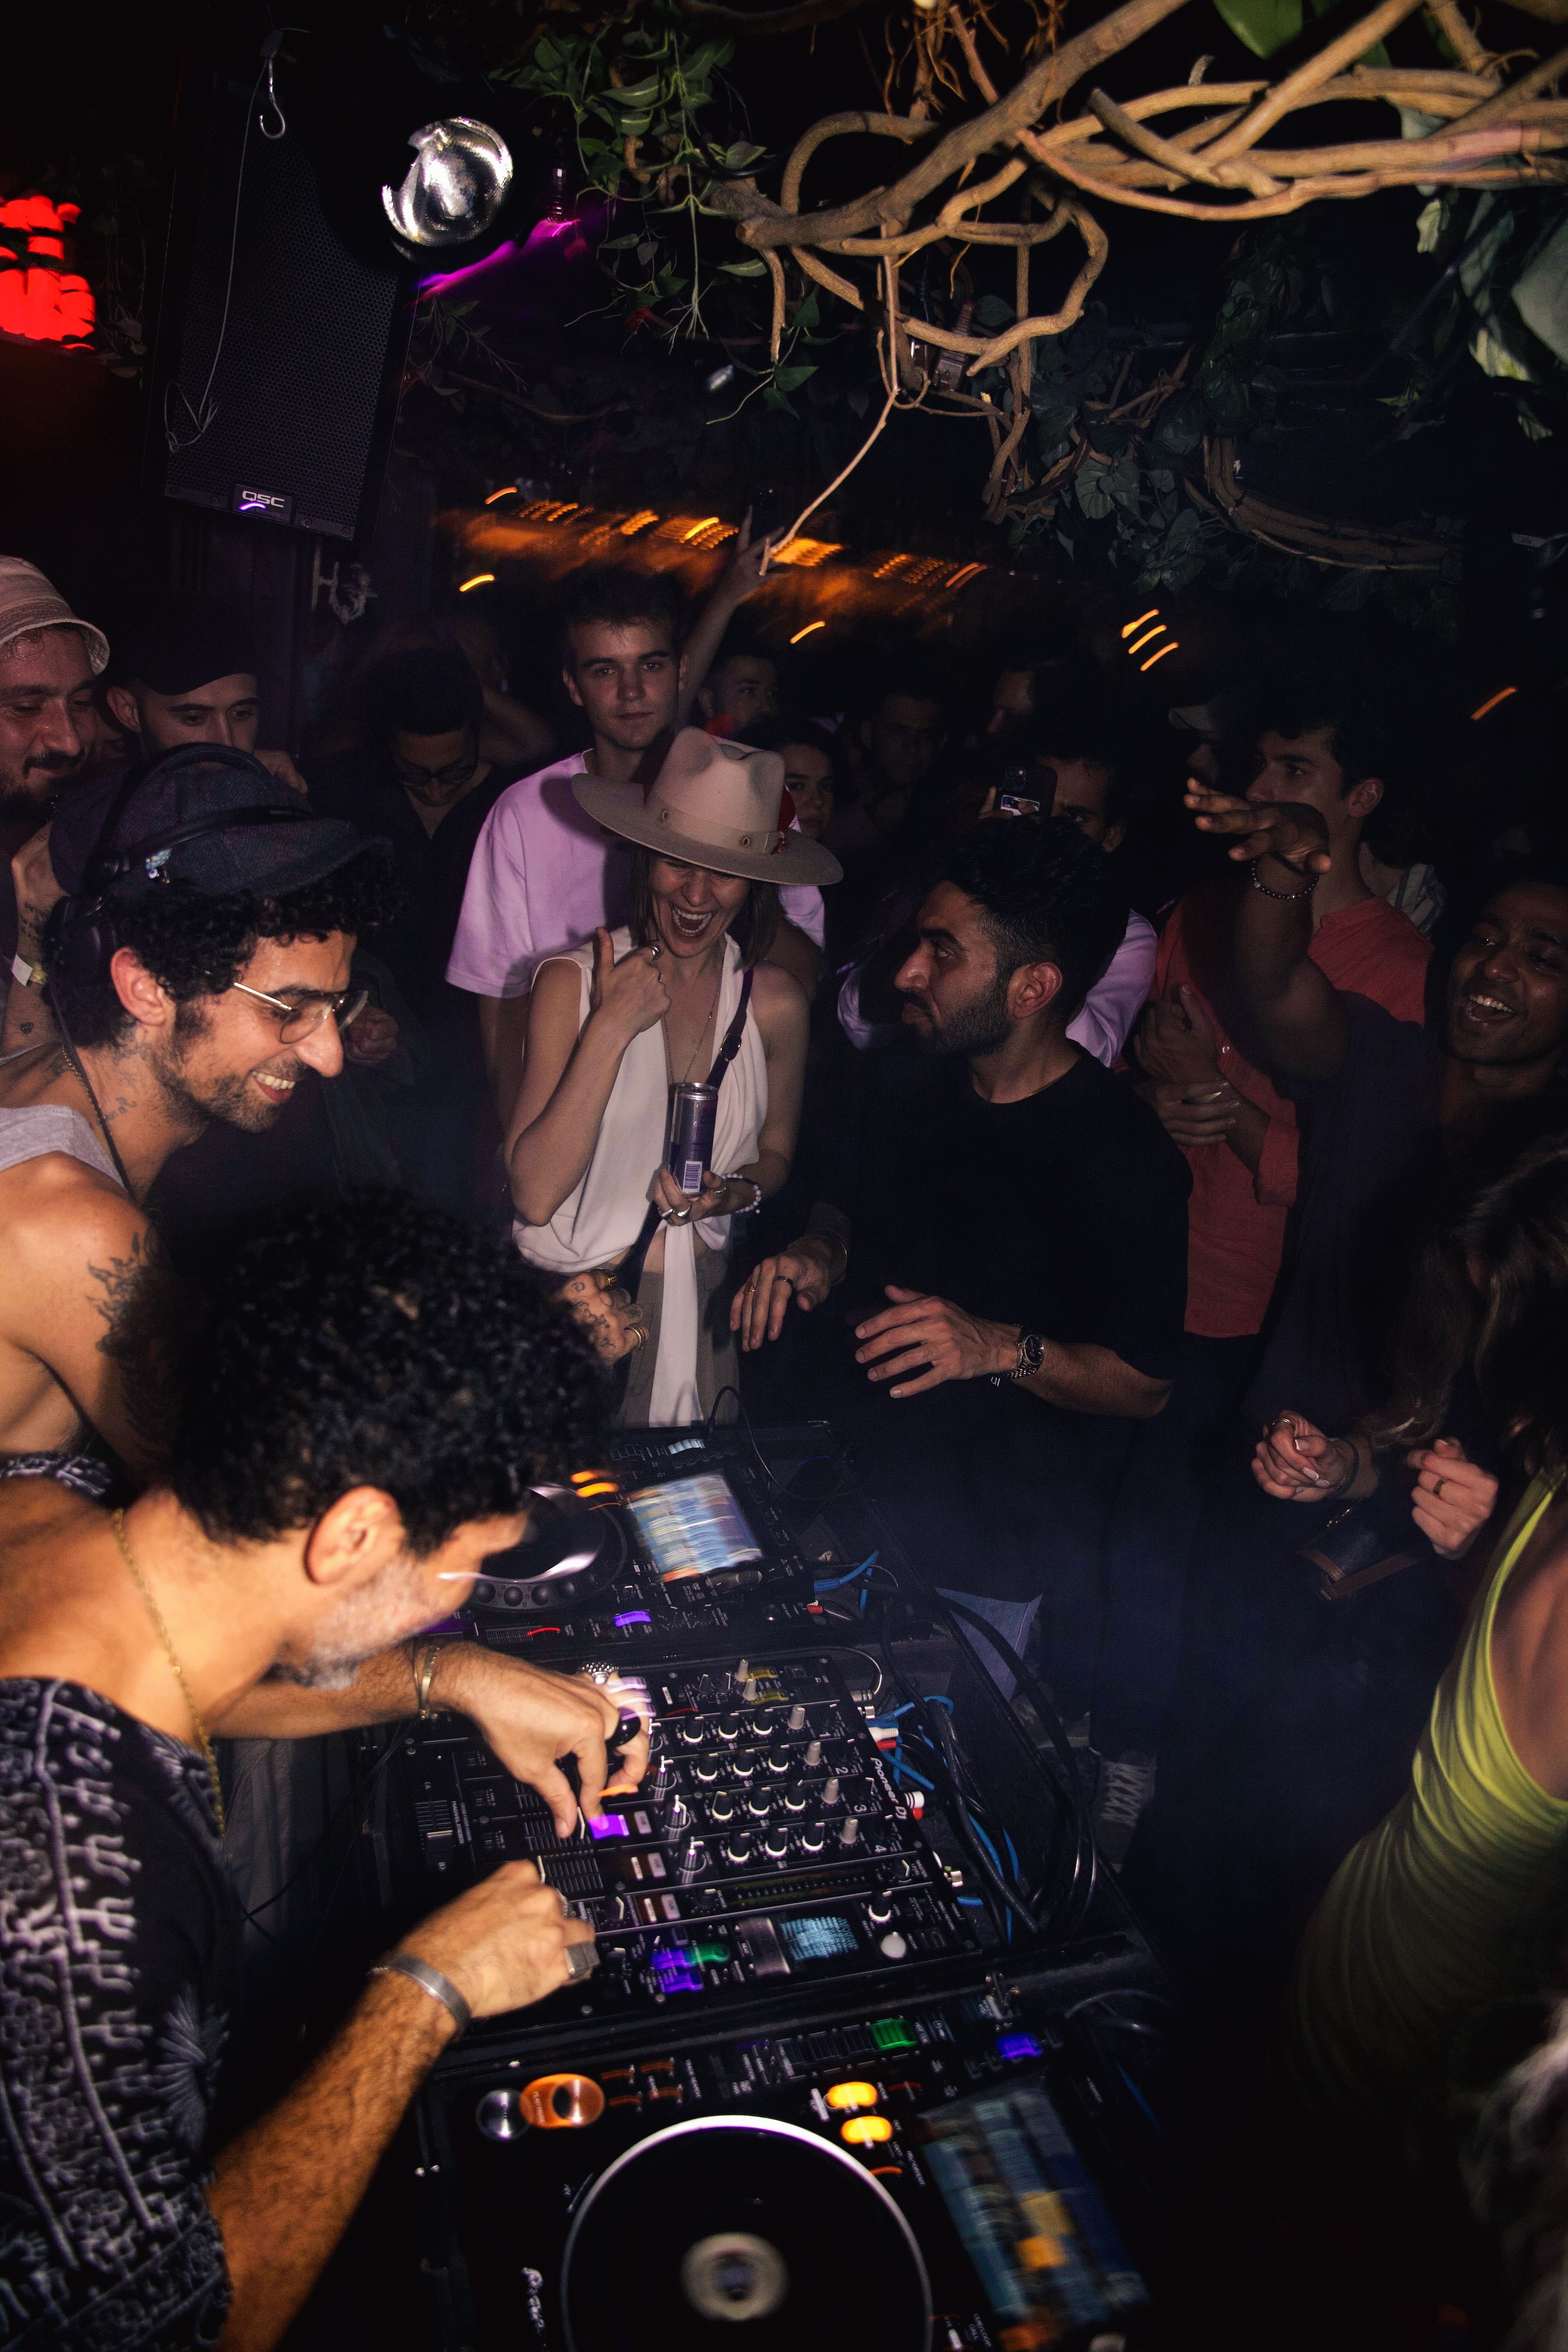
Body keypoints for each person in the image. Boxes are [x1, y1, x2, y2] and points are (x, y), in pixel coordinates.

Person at [0, 1188, 644, 2350]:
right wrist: (423, 1991)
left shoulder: (46, 1506)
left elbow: (202, 1666)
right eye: (468, 1564)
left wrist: (445, 1677)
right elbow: (179, 2323)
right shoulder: (76, 1896)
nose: (463, 1595)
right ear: (349, 1534)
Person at [733, 817, 1189, 1715]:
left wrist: (997, 1347)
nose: (906, 972)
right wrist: (818, 1252)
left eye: (942, 952)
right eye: (916, 944)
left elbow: (1143, 1384)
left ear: (1033, 987)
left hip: (991, 1552)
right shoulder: (907, 1077)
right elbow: (845, 1206)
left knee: (938, 1784)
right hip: (852, 1495)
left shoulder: (1121, 1152)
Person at [1092, 681, 1432, 1860]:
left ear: (1361, 800)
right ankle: (1117, 1753)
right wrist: (1159, 1085)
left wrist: (1224, 1105)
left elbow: (1344, 1172)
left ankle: (1170, 1792)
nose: (1272, 791)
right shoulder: (1199, 910)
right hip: (1154, 1271)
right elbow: (1140, 1071)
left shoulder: (1397, 965)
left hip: (1268, 1309)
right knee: (1131, 1540)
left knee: (1211, 1563)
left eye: (1299, 771)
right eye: (1266, 766)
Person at [1278, 1139, 1568, 2138]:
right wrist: (1484, 1548)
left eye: (1503, 1323)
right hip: (1379, 1999)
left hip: (1413, 2048)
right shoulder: (1549, 1486)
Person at [0, 747, 394, 1480]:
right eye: (292, 1009)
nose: (329, 1057)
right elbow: (246, 1504)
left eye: (335, 1006)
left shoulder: (34, 1080)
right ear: (147, 989)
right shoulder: (70, 1226)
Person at [509, 728, 834, 1425]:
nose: (695, 893)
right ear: (644, 860)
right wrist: (612, 1025)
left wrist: (732, 1195)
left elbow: (776, 1157)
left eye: (721, 870)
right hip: (573, 1320)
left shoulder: (774, 1002)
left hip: (702, 1310)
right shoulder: (572, 982)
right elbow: (533, 1195)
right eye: (675, 862)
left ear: (755, 884)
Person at [446, 567, 825, 1130]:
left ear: (681, 674)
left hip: (704, 1123)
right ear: (573, 686)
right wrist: (512, 1140)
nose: (631, 691)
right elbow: (500, 997)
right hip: (571, 1118)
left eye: (651, 665)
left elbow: (807, 977)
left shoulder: (745, 794)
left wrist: (734, 878)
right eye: (605, 670)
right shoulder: (525, 812)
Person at [310, 645, 521, 1214]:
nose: (432, 789)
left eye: (451, 772)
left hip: (472, 1040)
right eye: (415, 773)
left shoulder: (508, 801)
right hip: (367, 1028)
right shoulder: (344, 794)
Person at [0, 558, 107, 1049]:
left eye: (82, 704)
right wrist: (34, 949)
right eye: (26, 707)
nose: (69, 740)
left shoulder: (81, 829)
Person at [101, 597, 307, 791]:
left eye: (242, 714)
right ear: (128, 711)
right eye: (194, 718)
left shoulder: (277, 793)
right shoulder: (94, 815)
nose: (227, 744)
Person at [696, 629, 778, 734]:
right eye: (748, 691)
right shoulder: (686, 748)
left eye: (771, 694)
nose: (766, 708)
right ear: (708, 702)